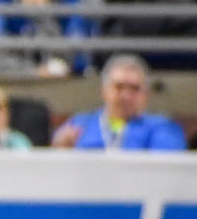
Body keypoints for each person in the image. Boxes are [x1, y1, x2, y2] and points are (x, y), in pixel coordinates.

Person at [51, 53, 186, 150]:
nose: (126, 96)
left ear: (146, 94)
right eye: (119, 87)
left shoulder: (163, 128)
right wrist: (61, 149)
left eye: (135, 88)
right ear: (104, 91)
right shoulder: (79, 125)